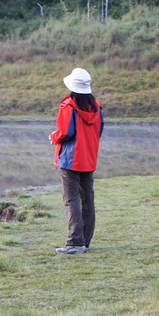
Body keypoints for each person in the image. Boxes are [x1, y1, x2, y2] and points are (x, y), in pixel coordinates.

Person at [49, 68, 104, 255]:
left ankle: (74, 242)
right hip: (89, 158)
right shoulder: (97, 107)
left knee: (71, 200)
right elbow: (98, 132)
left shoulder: (68, 106)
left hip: (70, 160)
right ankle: (84, 242)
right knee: (87, 200)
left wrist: (54, 137)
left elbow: (66, 132)